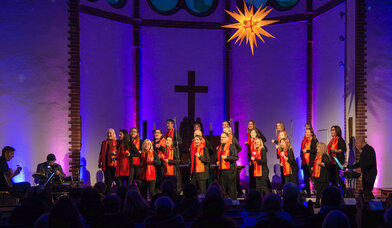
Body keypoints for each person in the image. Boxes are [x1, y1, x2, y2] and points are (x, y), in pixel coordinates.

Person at [217, 132, 238, 200]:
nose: (221, 139)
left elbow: (236, 157)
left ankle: (234, 204)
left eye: (223, 137)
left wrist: (227, 157)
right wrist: (218, 161)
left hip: (230, 170)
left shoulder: (231, 146)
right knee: (223, 189)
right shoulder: (220, 146)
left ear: (228, 138)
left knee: (232, 190)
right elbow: (219, 157)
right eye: (221, 137)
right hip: (222, 170)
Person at [327, 125, 347, 195]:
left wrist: (335, 150)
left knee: (337, 177)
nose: (332, 131)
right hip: (332, 161)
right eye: (331, 130)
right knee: (332, 177)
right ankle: (334, 191)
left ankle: (345, 191)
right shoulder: (332, 140)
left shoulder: (340, 140)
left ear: (337, 131)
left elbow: (343, 150)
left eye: (333, 130)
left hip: (338, 161)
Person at [98, 128, 119, 194]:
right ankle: (108, 195)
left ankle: (119, 194)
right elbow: (101, 153)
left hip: (114, 164)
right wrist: (99, 162)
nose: (109, 134)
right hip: (106, 164)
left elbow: (119, 153)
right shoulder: (104, 143)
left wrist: (115, 154)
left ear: (113, 134)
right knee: (107, 181)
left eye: (110, 133)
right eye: (108, 133)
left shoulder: (117, 142)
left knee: (117, 180)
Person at [164, 119, 182, 191]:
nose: (167, 125)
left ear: (172, 124)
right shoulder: (167, 132)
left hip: (174, 152)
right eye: (166, 123)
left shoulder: (175, 132)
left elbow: (180, 141)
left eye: (168, 123)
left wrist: (171, 142)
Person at [312, 143, 331, 207]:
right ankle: (317, 204)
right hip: (318, 176)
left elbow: (327, 164)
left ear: (322, 148)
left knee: (324, 192)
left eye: (318, 147)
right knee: (318, 191)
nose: (316, 148)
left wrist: (320, 163)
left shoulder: (324, 156)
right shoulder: (317, 155)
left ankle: (324, 204)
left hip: (324, 177)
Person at [300, 127, 318, 197]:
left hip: (310, 162)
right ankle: (308, 194)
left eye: (308, 132)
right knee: (305, 178)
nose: (307, 133)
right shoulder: (305, 140)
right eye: (306, 132)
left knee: (313, 178)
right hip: (304, 162)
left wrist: (307, 151)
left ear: (311, 133)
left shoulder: (313, 140)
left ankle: (319, 192)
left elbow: (315, 150)